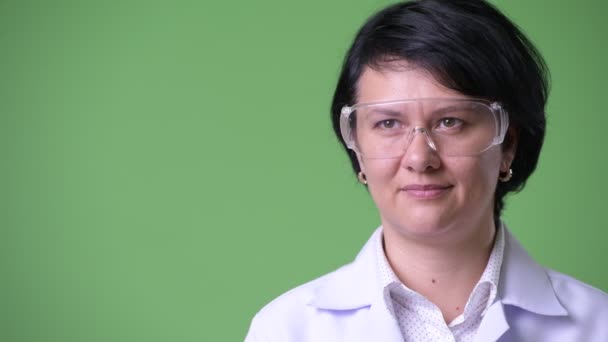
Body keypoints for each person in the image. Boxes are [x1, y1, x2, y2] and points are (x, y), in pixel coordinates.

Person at [245, 0, 608, 341]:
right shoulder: (286, 329)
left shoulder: (598, 324)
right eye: (388, 124)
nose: (420, 158)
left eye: (451, 122)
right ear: (356, 145)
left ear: (508, 144)